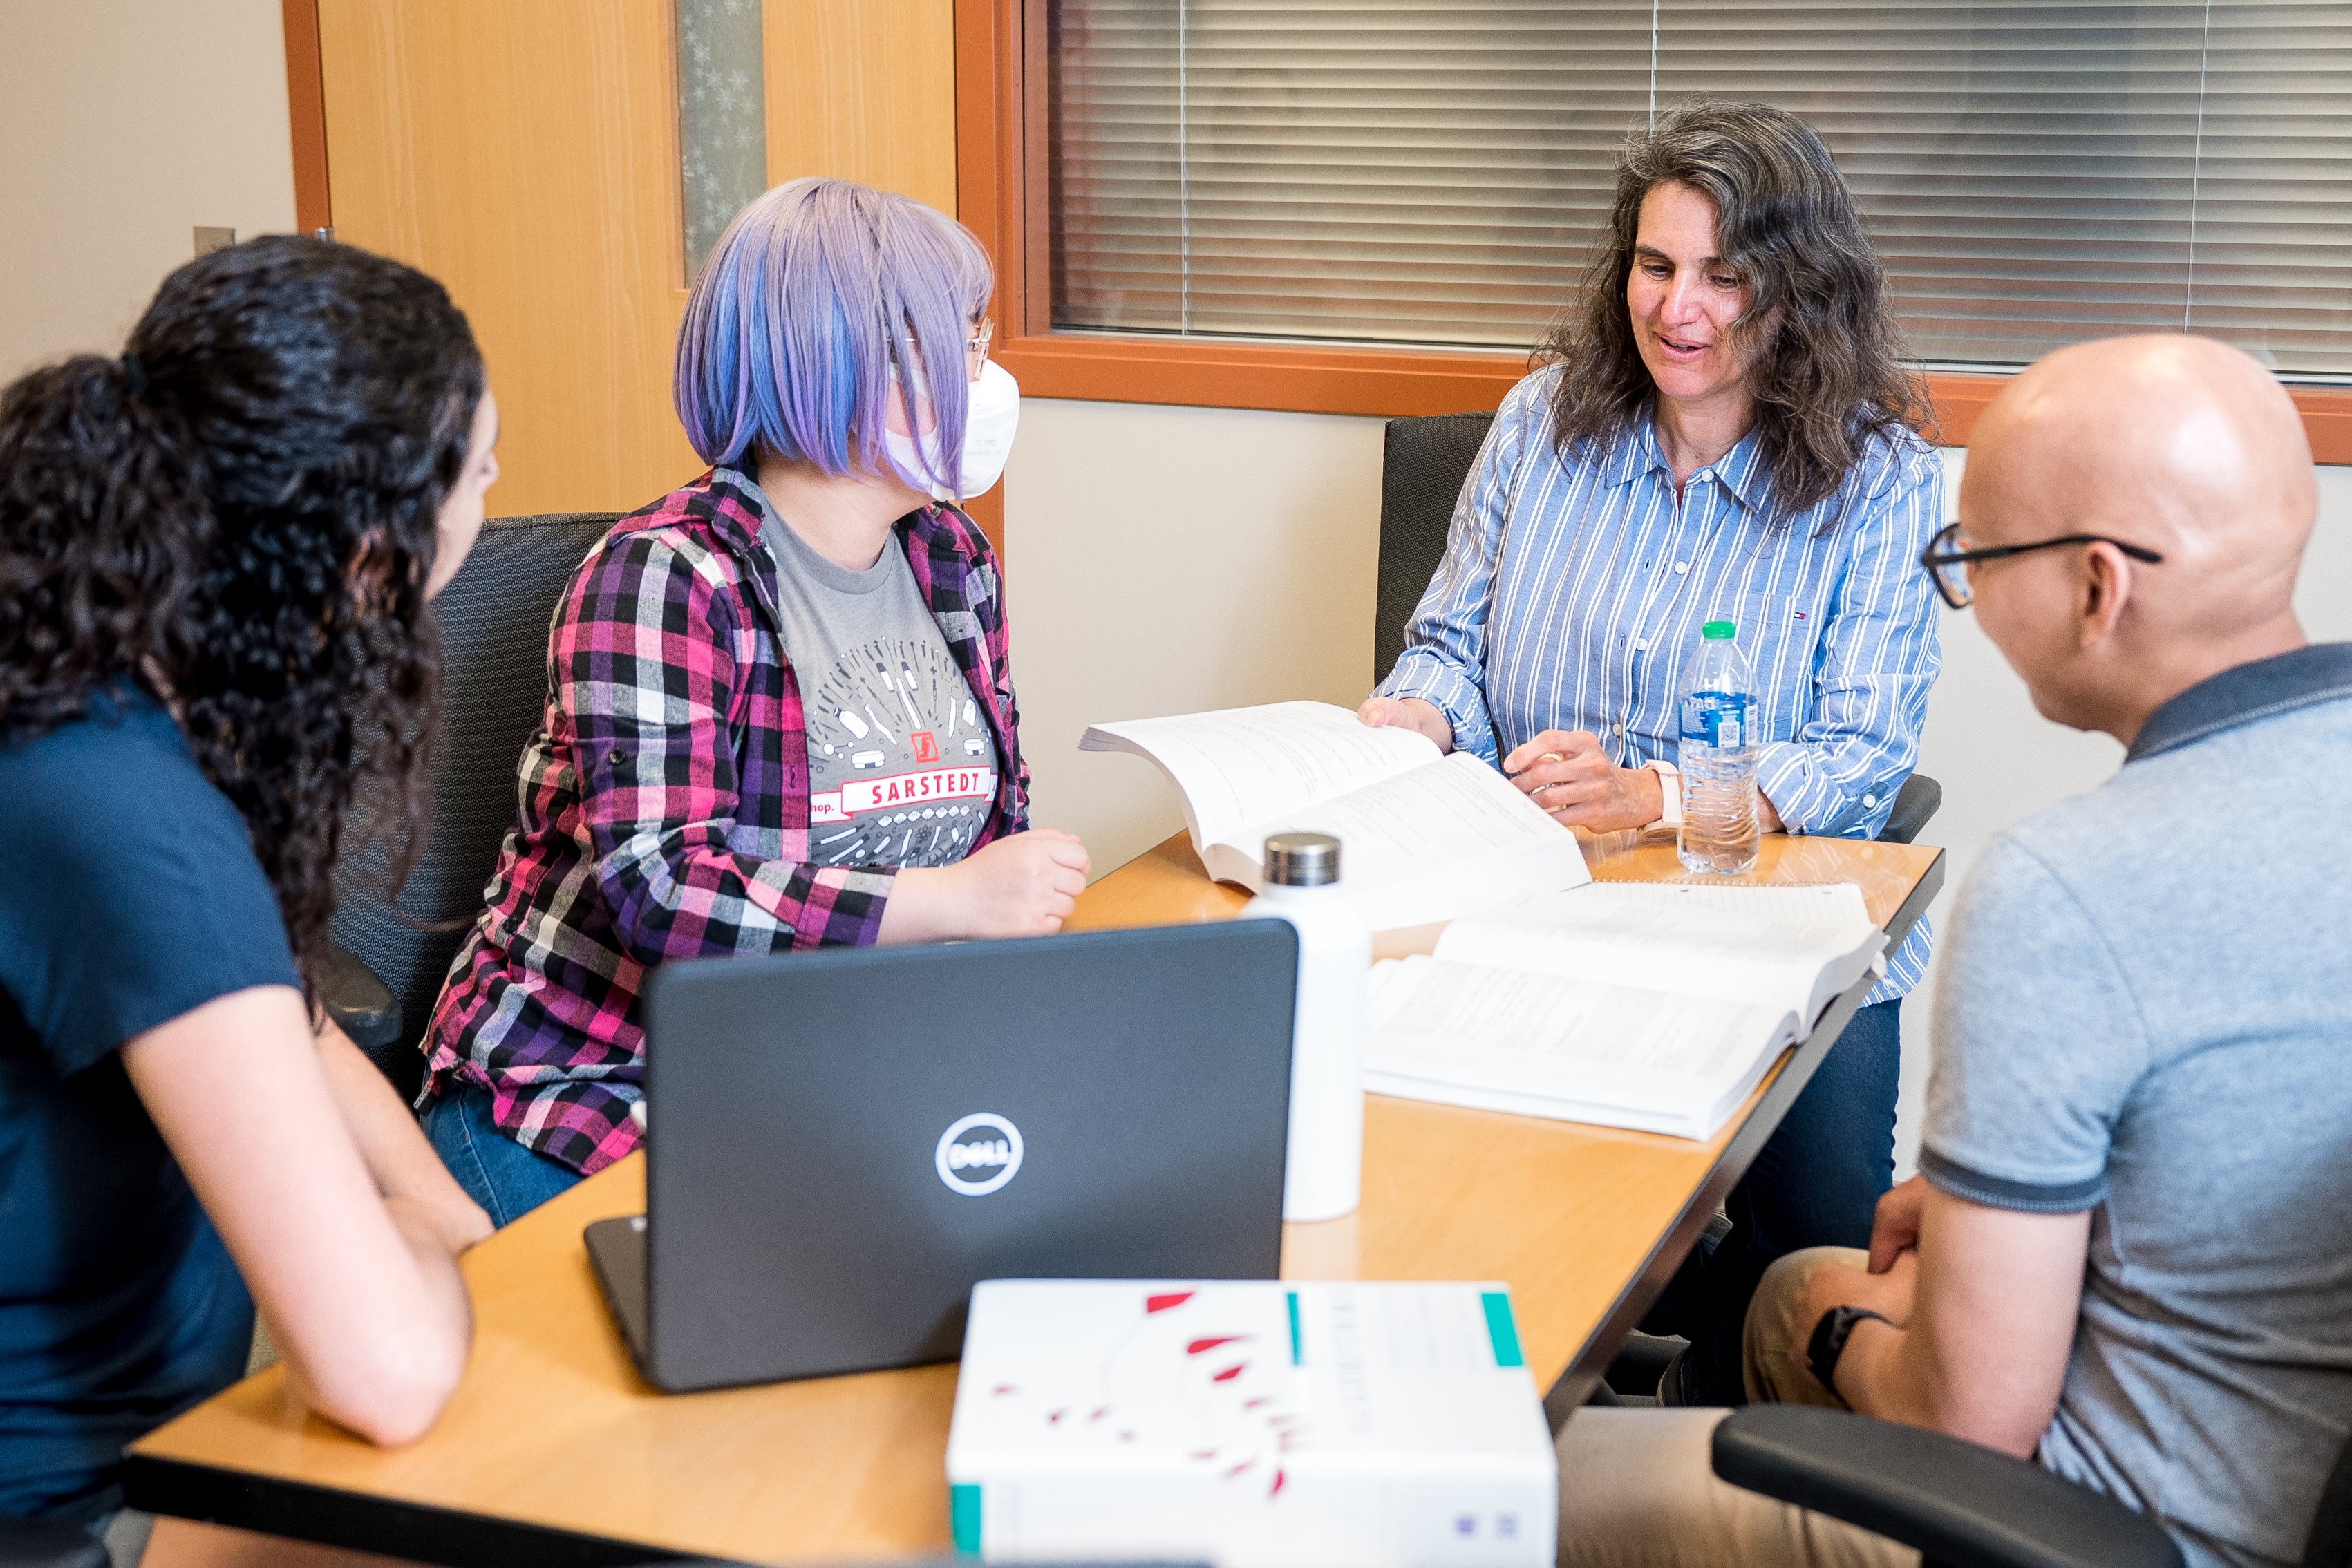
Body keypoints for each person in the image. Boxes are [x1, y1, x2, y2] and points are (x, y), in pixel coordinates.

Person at [1552, 334, 2352, 1568]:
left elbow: (1966, 1418)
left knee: (1533, 1470)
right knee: (1779, 1287)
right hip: (2281, 1434)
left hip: (2107, 1525)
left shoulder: (2069, 888)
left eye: (1971, 559)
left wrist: (1834, 1329)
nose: (1963, 600)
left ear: (2100, 588)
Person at [1361, 102, 1945, 1404]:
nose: (1679, 307)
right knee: (1428, 1166)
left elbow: (1861, 746)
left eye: (1726, 276)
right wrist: (1421, 712)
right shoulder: (1540, 422)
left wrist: (1663, 797)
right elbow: (1449, 640)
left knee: (1815, 1262)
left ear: (1796, 293)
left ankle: (1688, 1434)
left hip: (1782, 927)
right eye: (1655, 265)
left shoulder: (1883, 475)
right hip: (1538, 900)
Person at [420, 178, 1089, 1226]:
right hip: (600, 1092)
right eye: (965, 346)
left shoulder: (955, 560)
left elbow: (989, 839)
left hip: (829, 1083)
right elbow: (666, 892)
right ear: (852, 366)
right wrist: (953, 903)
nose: (987, 380)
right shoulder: (665, 577)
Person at [0, 236, 501, 1526]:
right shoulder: (129, 813)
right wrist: (414, 1253)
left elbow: (274, 998)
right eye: (479, 468)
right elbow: (382, 1371)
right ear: (365, 555)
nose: (496, 488)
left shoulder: (113, 674)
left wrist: (450, 1213)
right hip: (74, 1507)